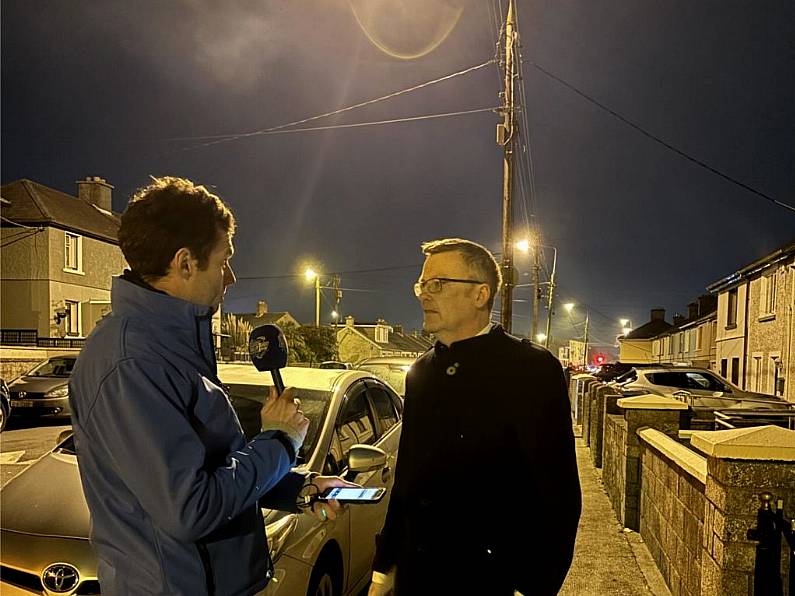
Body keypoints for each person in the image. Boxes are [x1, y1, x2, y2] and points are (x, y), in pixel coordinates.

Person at [69, 177, 354, 596]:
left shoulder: (169, 347)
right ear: (185, 263)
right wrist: (279, 441)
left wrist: (300, 487)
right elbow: (191, 507)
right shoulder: (132, 362)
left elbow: (216, 471)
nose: (231, 277)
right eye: (223, 261)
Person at [369, 238, 581, 596]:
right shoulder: (421, 372)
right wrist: (385, 565)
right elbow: (407, 478)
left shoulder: (531, 369)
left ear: (481, 294)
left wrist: (535, 585)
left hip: (490, 579)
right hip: (419, 576)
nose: (425, 295)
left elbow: (557, 491)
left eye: (438, 284)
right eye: (422, 284)